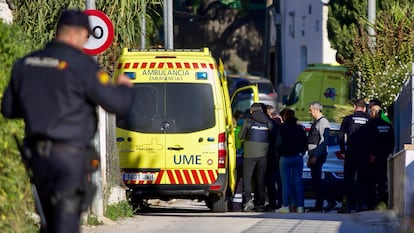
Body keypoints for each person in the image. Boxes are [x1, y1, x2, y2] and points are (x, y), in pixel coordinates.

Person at [1, 9, 134, 233]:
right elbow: (116, 104)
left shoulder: (26, 64)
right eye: (85, 36)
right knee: (65, 224)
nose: (85, 42)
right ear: (75, 34)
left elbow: (8, 109)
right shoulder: (82, 66)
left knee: (48, 221)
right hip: (69, 158)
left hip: (37, 157)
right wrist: (124, 87)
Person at [238, 103, 273, 212]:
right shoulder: (268, 122)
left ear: (252, 111)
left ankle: (249, 202)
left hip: (249, 154)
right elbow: (273, 136)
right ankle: (261, 203)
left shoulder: (248, 121)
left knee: (247, 179)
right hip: (263, 155)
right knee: (260, 179)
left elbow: (240, 136)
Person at [338, 99, 370, 213]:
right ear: (365, 108)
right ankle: (360, 205)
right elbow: (372, 137)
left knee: (348, 179)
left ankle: (347, 205)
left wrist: (343, 150)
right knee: (362, 179)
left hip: (351, 152)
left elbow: (341, 136)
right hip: (364, 153)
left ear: (355, 107)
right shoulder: (369, 119)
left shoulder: (348, 119)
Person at [275, 109, 308, 213]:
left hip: (285, 157)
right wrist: (301, 152)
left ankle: (285, 206)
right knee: (298, 182)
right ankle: (300, 206)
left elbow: (278, 143)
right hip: (297, 157)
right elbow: (305, 142)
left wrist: (278, 154)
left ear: (284, 117)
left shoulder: (282, 128)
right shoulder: (300, 128)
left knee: (286, 183)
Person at [366, 99, 395, 210]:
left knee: (371, 181)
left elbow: (368, 141)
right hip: (383, 157)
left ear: (373, 112)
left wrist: (371, 154)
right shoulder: (388, 124)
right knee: (382, 180)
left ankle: (371, 203)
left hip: (372, 158)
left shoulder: (371, 124)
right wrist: (387, 153)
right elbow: (392, 141)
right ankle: (383, 202)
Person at [307, 101, 336, 212]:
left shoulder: (323, 122)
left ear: (316, 110)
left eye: (311, 110)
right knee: (315, 181)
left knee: (317, 181)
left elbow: (324, 141)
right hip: (314, 155)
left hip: (318, 155)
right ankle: (319, 205)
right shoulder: (316, 122)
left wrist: (315, 155)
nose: (310, 112)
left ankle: (330, 201)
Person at [264, 105, 283, 211]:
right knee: (279, 181)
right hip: (279, 156)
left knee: (272, 180)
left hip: (272, 156)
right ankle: (280, 202)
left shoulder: (273, 125)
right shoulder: (280, 125)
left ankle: (273, 202)